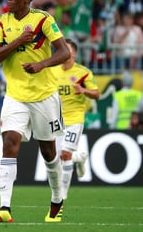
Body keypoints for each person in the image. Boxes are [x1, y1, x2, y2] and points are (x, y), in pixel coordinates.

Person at [0, 0, 70, 223]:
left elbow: (63, 51)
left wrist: (42, 64)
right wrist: (19, 41)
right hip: (15, 95)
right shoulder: (2, 21)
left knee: (48, 152)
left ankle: (57, 199)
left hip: (44, 96)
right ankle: (5, 208)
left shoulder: (43, 19)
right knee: (9, 142)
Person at [51, 38, 100, 200]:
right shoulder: (53, 71)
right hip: (57, 119)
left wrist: (83, 90)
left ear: (74, 54)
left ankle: (63, 193)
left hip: (75, 118)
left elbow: (97, 94)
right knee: (58, 157)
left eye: (68, 49)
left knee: (65, 154)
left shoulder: (83, 72)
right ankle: (79, 158)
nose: (65, 51)